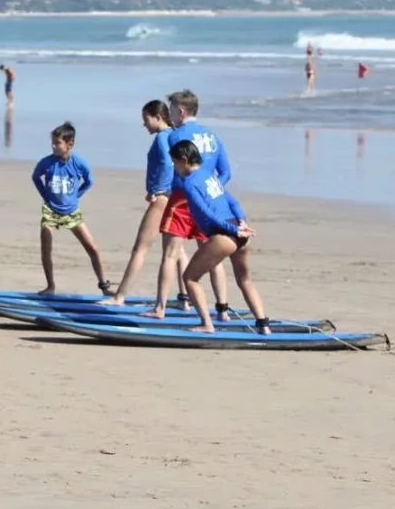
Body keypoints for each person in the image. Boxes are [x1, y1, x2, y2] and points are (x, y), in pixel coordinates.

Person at [141, 89, 232, 320]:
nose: (169, 116)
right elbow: (226, 172)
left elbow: (172, 167)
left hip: (181, 199)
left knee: (170, 254)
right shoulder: (213, 137)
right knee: (210, 254)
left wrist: (157, 190)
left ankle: (160, 307)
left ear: (180, 111)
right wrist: (209, 189)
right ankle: (222, 309)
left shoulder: (175, 135)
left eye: (171, 110)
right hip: (208, 200)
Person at [169, 140, 269, 334]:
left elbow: (207, 213)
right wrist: (242, 222)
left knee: (190, 278)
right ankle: (263, 325)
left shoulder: (190, 183)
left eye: (175, 163)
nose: (175, 168)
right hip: (238, 232)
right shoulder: (210, 176)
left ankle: (206, 324)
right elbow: (232, 201)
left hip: (225, 235)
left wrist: (232, 230)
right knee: (245, 280)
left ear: (184, 160)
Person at [100, 99, 178, 305]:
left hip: (162, 198)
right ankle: (185, 299)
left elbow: (166, 164)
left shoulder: (162, 138)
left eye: (146, 120)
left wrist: (155, 190)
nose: (144, 124)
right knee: (176, 251)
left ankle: (119, 296)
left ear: (158, 117)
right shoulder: (176, 135)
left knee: (140, 249)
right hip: (176, 198)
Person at [32, 122, 113, 296]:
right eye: (52, 143)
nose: (54, 146)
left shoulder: (79, 163)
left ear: (70, 144)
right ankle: (50, 286)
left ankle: (104, 285)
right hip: (51, 211)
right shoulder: (46, 163)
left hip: (71, 212)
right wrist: (45, 196)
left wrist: (76, 195)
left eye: (57, 143)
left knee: (92, 248)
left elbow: (89, 181)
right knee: (46, 246)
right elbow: (36, 177)